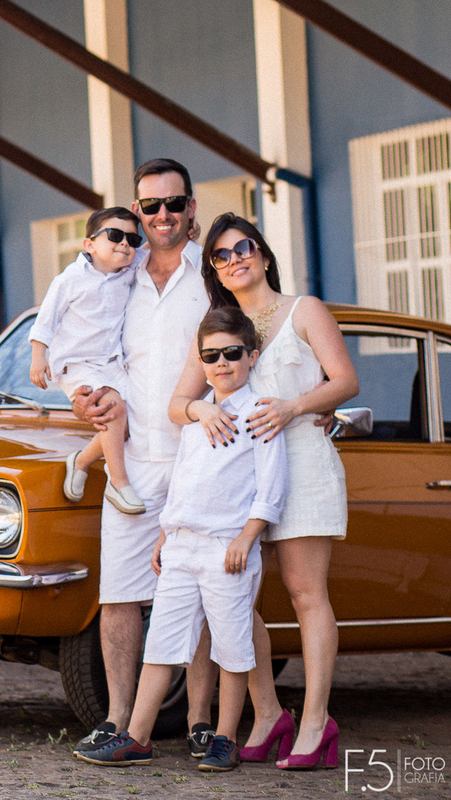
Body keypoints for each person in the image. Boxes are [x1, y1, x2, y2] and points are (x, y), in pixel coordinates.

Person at [168, 212, 358, 770]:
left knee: (305, 594)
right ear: (215, 271)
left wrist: (296, 406)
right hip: (234, 485)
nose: (234, 259)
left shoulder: (305, 309)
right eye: (221, 255)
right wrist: (201, 406)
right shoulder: (217, 326)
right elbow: (177, 404)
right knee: (234, 602)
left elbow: (345, 380)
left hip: (300, 463)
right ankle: (269, 710)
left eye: (243, 247)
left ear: (265, 254)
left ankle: (318, 722)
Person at [76, 307, 287, 772]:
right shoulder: (196, 418)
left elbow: (271, 487)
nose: (222, 363)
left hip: (227, 550)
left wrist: (247, 537)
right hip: (180, 546)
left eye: (232, 353)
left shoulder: (259, 414)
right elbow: (184, 482)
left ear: (252, 355)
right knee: (163, 645)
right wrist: (164, 534)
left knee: (230, 646)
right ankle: (136, 736)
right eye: (211, 355)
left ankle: (225, 738)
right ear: (200, 360)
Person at [70, 158, 215, 758]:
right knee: (120, 594)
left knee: (207, 593)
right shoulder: (114, 277)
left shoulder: (213, 277)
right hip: (131, 461)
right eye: (149, 207)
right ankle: (119, 720)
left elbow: (254, 341)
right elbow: (87, 352)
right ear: (134, 211)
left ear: (191, 209)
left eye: (173, 205)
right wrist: (83, 399)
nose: (161, 216)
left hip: (202, 460)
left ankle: (205, 721)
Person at [29, 206, 145, 514]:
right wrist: (38, 357)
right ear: (89, 244)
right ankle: (119, 484)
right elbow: (46, 321)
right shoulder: (69, 280)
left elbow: (161, 250)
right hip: (77, 365)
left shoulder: (130, 269)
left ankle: (81, 460)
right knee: (111, 409)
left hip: (111, 364)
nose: (125, 244)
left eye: (132, 238)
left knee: (135, 422)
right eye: (115, 235)